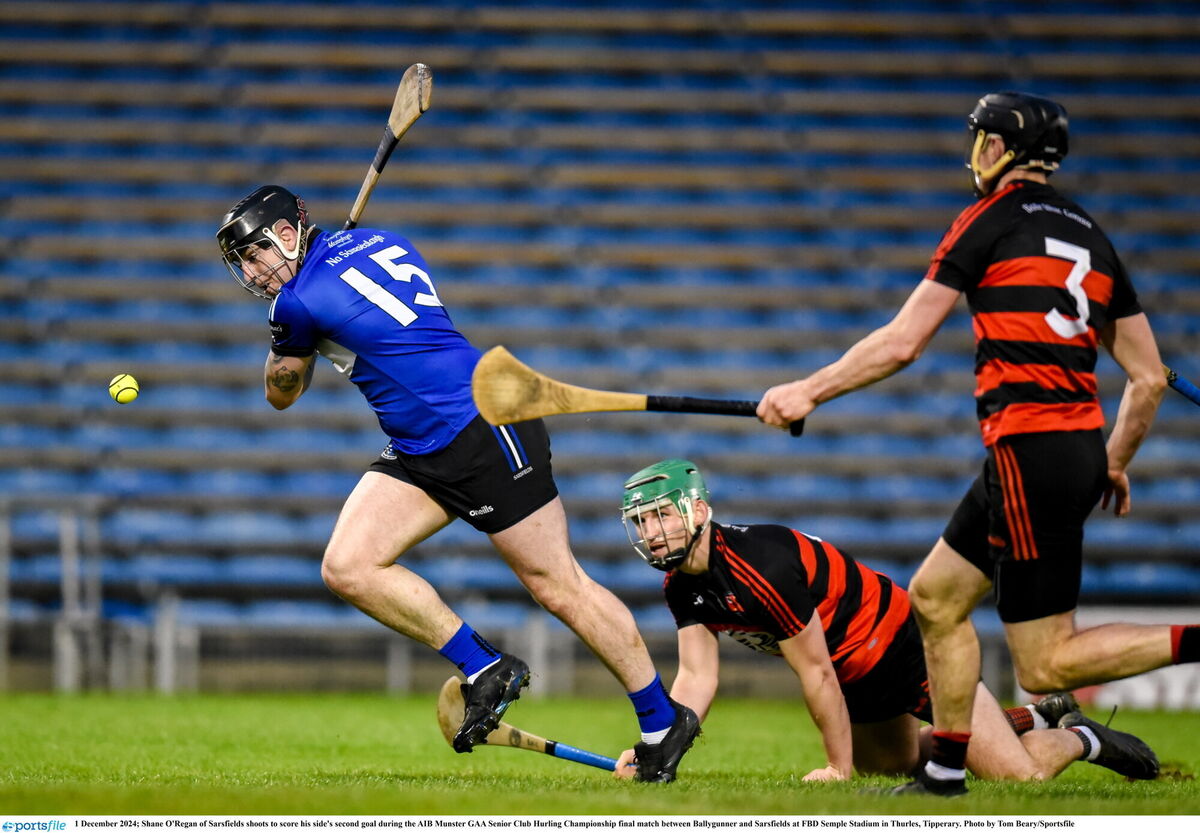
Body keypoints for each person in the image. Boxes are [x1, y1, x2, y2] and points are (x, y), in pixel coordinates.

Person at [757, 91, 1199, 795]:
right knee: (933, 597)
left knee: (1047, 664)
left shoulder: (987, 220)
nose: (977, 153)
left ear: (1002, 148)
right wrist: (1111, 462)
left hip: (1029, 446)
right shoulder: (1092, 235)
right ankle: (942, 771)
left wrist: (808, 389)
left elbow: (903, 341)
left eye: (983, 140)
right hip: (1067, 448)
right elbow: (1146, 378)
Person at [215, 185, 699, 782]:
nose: (251, 271)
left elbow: (280, 394)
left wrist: (291, 339)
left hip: (481, 427)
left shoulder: (293, 306)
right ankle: (483, 666)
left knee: (558, 585)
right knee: (349, 565)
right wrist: (307, 315)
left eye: (254, 254)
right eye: (241, 263)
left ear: (289, 234)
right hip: (422, 444)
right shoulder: (378, 239)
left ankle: (662, 721)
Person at [611, 459, 1158, 786]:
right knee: (896, 769)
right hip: (858, 674)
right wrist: (662, 741)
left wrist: (835, 767)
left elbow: (818, 674)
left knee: (1021, 777)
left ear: (699, 509)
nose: (652, 531)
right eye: (642, 521)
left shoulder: (760, 569)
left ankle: (1081, 737)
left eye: (661, 514)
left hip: (907, 648)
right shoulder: (681, 584)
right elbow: (698, 676)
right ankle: (1031, 718)